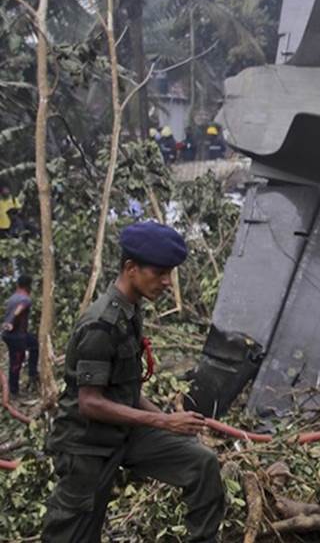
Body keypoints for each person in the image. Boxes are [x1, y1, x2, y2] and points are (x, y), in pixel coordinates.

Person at [42, 222, 224, 543]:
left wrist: (168, 424)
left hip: (125, 434)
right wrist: (164, 421)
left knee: (202, 463)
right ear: (131, 268)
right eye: (160, 273)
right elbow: (91, 403)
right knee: (74, 534)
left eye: (171, 273)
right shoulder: (101, 324)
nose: (168, 282)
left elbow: (127, 389)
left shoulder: (131, 310)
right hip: (88, 445)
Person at [2, 275, 36, 396]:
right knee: (16, 362)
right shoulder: (25, 299)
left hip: (10, 335)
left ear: (18, 285)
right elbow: (18, 310)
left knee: (33, 344)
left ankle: (31, 374)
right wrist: (10, 322)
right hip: (15, 335)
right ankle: (14, 391)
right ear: (29, 286)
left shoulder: (12, 298)